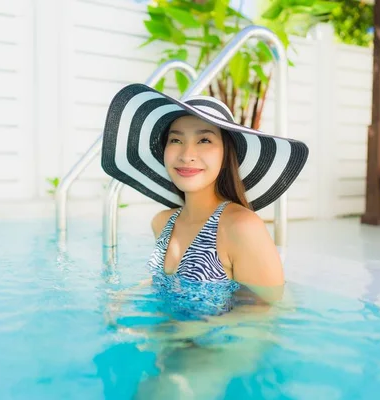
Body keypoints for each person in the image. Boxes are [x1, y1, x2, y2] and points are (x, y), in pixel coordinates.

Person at [100, 84, 309, 399]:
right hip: (175, 338)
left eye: (204, 140)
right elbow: (169, 280)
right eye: (176, 140)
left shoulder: (240, 227)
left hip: (223, 347)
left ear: (226, 154)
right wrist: (128, 295)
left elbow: (265, 310)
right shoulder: (163, 223)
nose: (187, 154)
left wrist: (184, 332)